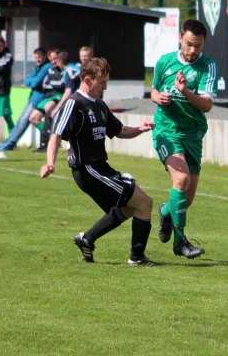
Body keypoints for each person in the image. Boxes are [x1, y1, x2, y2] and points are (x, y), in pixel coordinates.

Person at [40, 57, 158, 266]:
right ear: (87, 80)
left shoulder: (100, 105)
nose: (105, 86)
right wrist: (50, 162)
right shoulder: (74, 104)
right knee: (144, 202)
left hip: (100, 168)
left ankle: (87, 239)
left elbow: (120, 131)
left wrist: (141, 128)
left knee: (133, 207)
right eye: (102, 82)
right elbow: (55, 135)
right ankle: (136, 258)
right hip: (86, 169)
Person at [151, 19, 217, 259]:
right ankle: (180, 243)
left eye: (198, 46)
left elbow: (207, 105)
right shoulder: (164, 61)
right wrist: (159, 98)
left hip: (193, 134)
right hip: (166, 130)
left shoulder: (208, 66)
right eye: (189, 44)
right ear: (180, 38)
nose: (192, 50)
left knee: (185, 200)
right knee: (181, 179)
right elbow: (153, 90)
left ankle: (166, 211)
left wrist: (184, 92)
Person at [0, 48, 51, 153]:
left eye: (39, 57)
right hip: (32, 97)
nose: (37, 59)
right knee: (21, 121)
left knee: (24, 121)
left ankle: (9, 144)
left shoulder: (46, 67)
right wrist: (31, 81)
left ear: (45, 56)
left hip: (38, 98)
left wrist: (31, 81)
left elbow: (33, 83)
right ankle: (8, 143)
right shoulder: (38, 67)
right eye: (36, 57)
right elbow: (27, 80)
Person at [30, 51, 68, 152]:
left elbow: (61, 85)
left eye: (55, 59)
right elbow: (46, 84)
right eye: (51, 60)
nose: (53, 62)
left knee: (48, 108)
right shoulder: (51, 70)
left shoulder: (65, 70)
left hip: (59, 95)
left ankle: (48, 143)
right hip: (49, 96)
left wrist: (53, 84)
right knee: (33, 118)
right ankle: (49, 139)